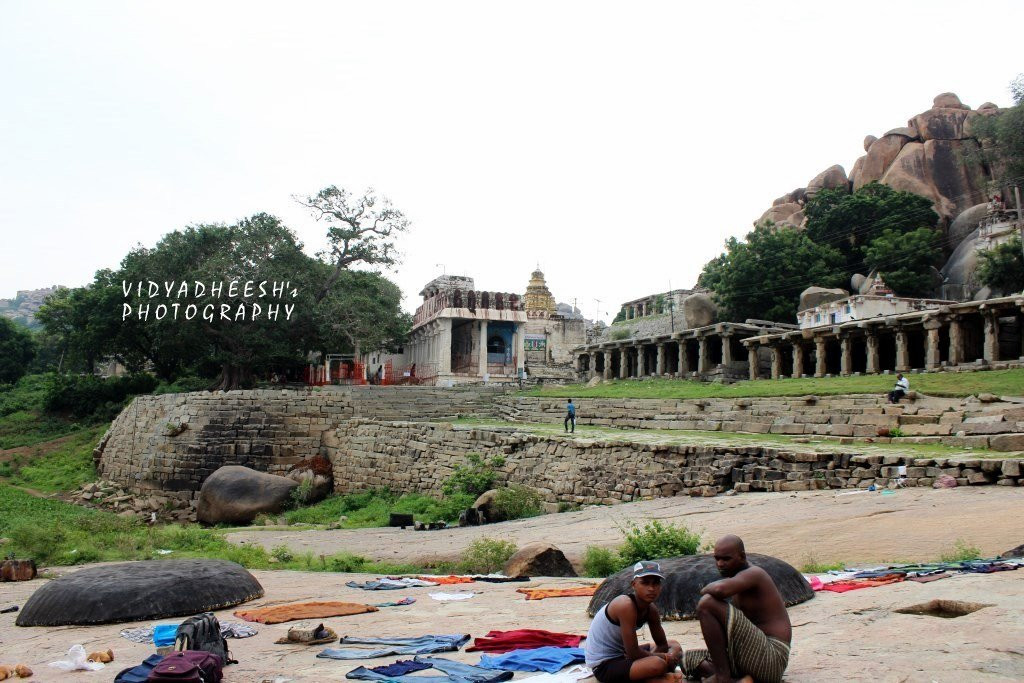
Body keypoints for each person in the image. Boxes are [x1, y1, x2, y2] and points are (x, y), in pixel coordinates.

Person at [681, 536, 791, 683]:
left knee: (707, 603)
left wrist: (704, 590)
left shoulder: (755, 574)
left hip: (771, 657)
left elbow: (719, 590)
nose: (720, 564)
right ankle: (741, 680)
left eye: (726, 559)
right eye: (717, 559)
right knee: (687, 660)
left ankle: (723, 678)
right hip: (750, 655)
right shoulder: (737, 579)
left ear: (742, 556)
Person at [584, 561, 683, 683]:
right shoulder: (625, 605)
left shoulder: (651, 609)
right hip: (604, 666)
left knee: (674, 645)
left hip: (624, 655)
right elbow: (633, 653)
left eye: (655, 583)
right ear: (634, 584)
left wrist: (667, 657)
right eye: (645, 583)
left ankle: (651, 674)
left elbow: (662, 644)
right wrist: (664, 658)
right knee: (658, 664)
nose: (651, 588)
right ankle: (653, 677)